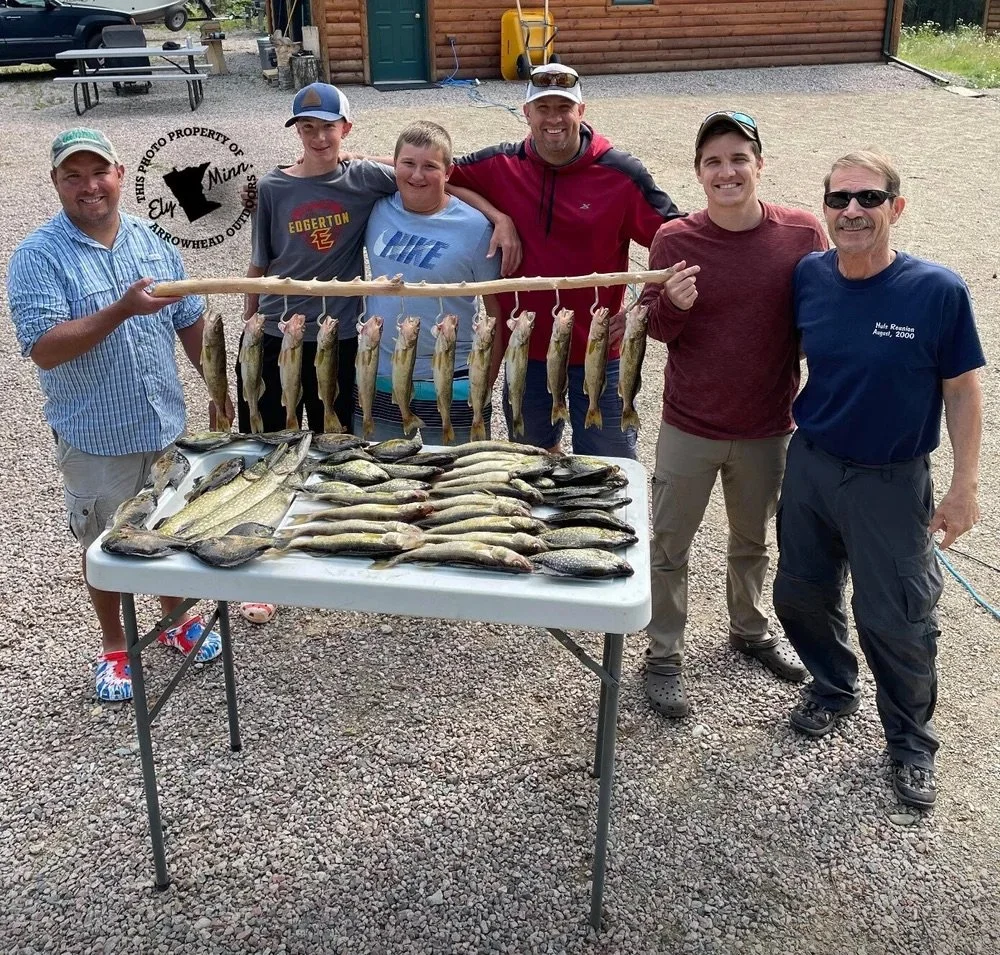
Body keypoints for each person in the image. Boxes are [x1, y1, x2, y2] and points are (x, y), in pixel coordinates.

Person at [773, 151, 985, 810]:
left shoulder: (937, 291)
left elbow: (963, 389)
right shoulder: (810, 276)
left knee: (896, 619)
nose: (852, 211)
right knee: (801, 594)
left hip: (890, 480)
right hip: (812, 464)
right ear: (826, 209)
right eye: (839, 199)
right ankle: (833, 686)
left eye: (868, 198)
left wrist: (965, 486)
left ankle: (911, 741)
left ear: (897, 207)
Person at [7, 128, 230, 703]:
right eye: (73, 176)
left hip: (166, 425)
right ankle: (115, 645)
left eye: (99, 172)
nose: (90, 186)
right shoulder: (37, 256)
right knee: (103, 545)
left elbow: (190, 319)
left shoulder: (151, 240)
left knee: (170, 527)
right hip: (96, 437)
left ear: (120, 173)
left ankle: (176, 619)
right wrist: (121, 310)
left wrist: (218, 389)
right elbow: (44, 347)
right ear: (56, 182)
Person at [625, 112, 827, 719]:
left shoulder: (802, 233)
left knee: (753, 540)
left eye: (739, 158)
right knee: (668, 545)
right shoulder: (674, 239)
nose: (727, 171)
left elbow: (823, 314)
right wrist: (674, 306)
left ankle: (749, 630)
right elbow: (654, 327)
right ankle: (663, 654)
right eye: (713, 161)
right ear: (698, 173)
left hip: (768, 425)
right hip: (690, 423)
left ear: (759, 165)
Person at [447, 63, 682, 457]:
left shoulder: (621, 174)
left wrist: (644, 307)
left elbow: (677, 239)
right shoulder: (500, 165)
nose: (553, 119)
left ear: (581, 111)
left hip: (599, 349)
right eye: (543, 108)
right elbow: (430, 171)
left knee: (610, 462)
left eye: (563, 108)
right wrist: (498, 216)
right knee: (532, 460)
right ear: (527, 113)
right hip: (526, 351)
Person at [355, 120, 502, 443]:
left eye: (430, 167)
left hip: (455, 377)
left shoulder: (476, 228)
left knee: (456, 471)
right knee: (380, 468)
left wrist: (485, 383)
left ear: (448, 172)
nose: (417, 175)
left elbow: (496, 312)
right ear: (394, 165)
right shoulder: (375, 208)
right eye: (408, 164)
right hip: (380, 374)